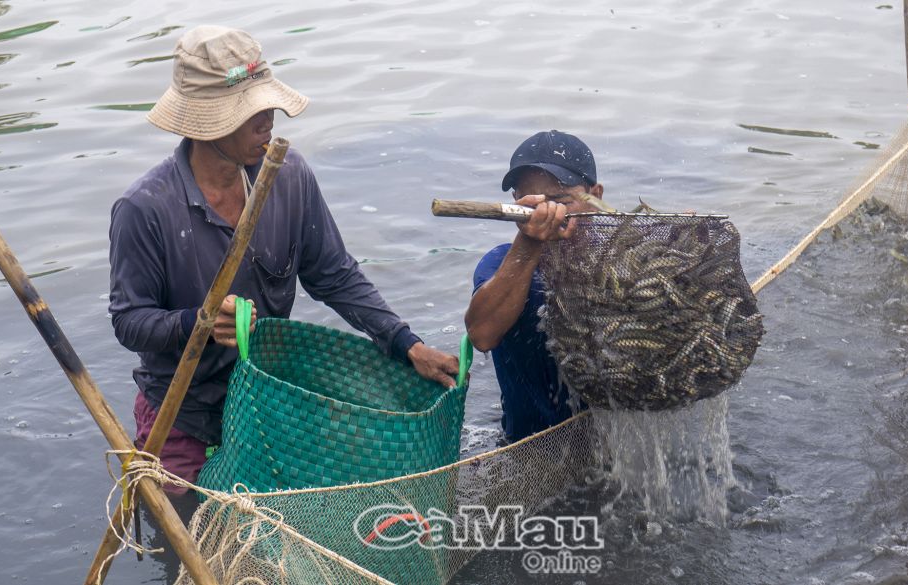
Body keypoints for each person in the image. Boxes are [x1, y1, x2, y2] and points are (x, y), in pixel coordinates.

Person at [108, 26, 458, 488]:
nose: (268, 119)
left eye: (267, 104)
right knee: (185, 540)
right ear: (205, 122)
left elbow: (333, 275)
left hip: (264, 399)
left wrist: (405, 343)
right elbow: (129, 322)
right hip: (183, 413)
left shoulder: (287, 175)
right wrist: (200, 322)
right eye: (249, 111)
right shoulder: (145, 208)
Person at [465, 130, 604, 442]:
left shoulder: (629, 261)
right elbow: (482, 335)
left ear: (596, 196)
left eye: (560, 201)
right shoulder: (500, 263)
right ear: (516, 204)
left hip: (621, 446)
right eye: (532, 205)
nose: (547, 214)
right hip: (531, 449)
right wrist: (528, 244)